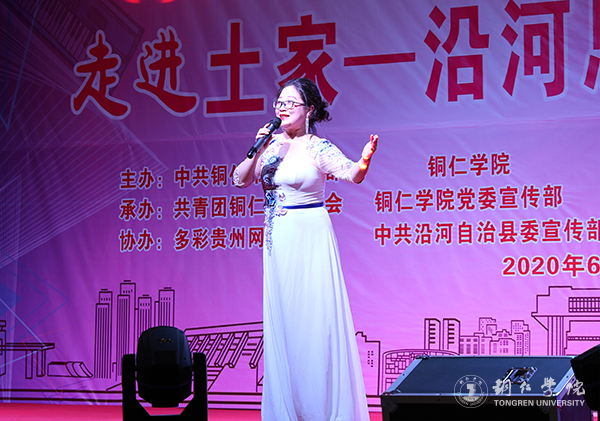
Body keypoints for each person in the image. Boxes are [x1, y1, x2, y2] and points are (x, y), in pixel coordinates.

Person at [234, 77, 378, 421]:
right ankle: (289, 409)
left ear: (309, 110)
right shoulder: (270, 145)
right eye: (279, 103)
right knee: (285, 321)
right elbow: (240, 179)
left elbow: (352, 174)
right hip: (278, 238)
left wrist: (364, 160)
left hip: (310, 234)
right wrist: (258, 148)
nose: (282, 108)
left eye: (290, 103)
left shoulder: (318, 147)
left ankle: (323, 408)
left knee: (314, 318)